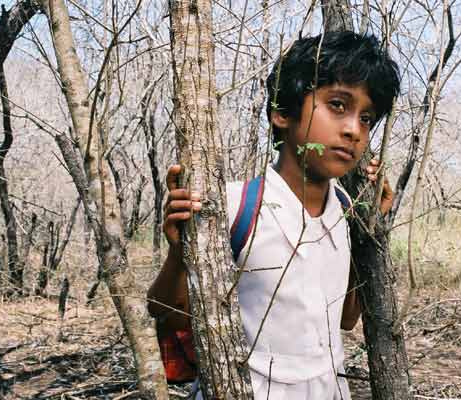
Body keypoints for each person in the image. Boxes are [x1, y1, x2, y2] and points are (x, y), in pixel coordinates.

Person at [147, 30, 400, 399]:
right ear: (282, 113)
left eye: (367, 118)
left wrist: (371, 230)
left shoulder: (347, 212)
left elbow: (345, 320)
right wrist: (178, 253)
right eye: (338, 105)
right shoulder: (233, 206)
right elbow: (169, 314)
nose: (353, 131)